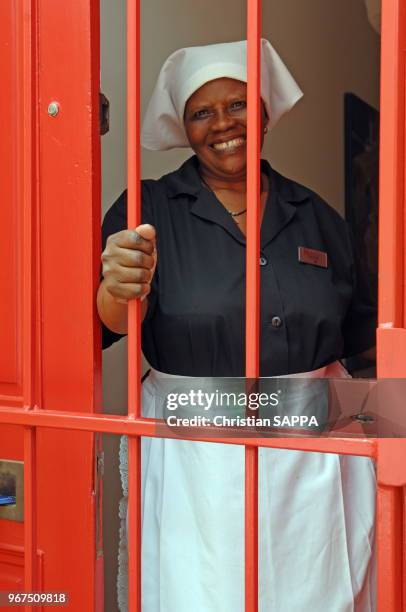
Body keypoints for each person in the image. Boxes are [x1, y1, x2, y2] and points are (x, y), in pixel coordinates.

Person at [97, 40, 377, 612]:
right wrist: (112, 291)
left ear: (267, 112)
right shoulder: (147, 210)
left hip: (314, 464)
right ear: (184, 125)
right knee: (203, 592)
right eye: (203, 112)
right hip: (195, 462)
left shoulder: (319, 217)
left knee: (316, 592)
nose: (223, 124)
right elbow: (96, 331)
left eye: (239, 105)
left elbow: (364, 344)